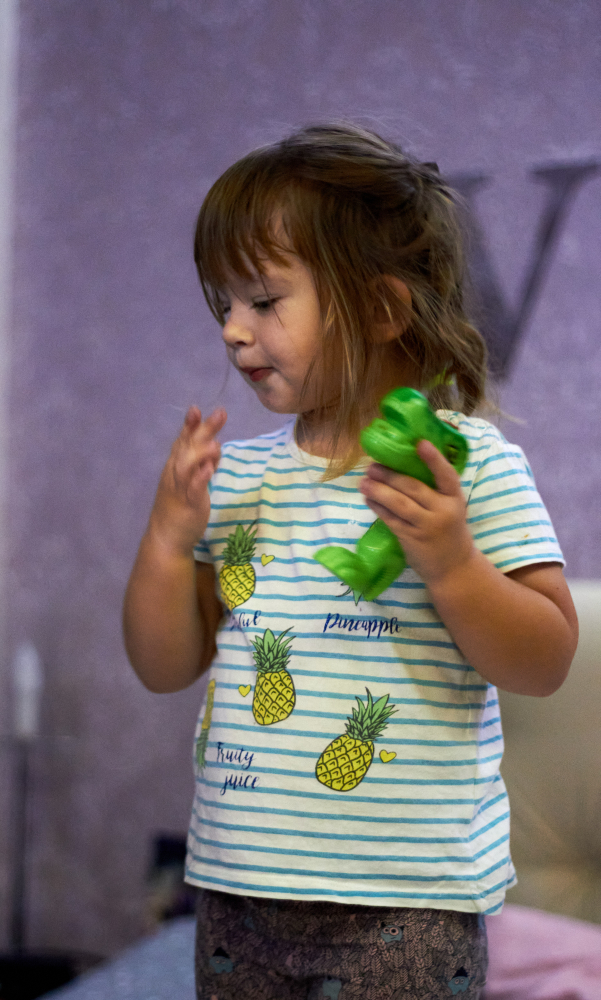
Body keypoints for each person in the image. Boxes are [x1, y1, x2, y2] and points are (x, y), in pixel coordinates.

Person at [123, 123, 578, 1000]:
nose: (232, 331)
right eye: (223, 304)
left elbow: (545, 660)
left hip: (406, 909)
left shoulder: (466, 467)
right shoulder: (238, 479)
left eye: (263, 300)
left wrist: (452, 564)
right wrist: (166, 541)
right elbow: (163, 665)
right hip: (237, 895)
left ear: (379, 309)